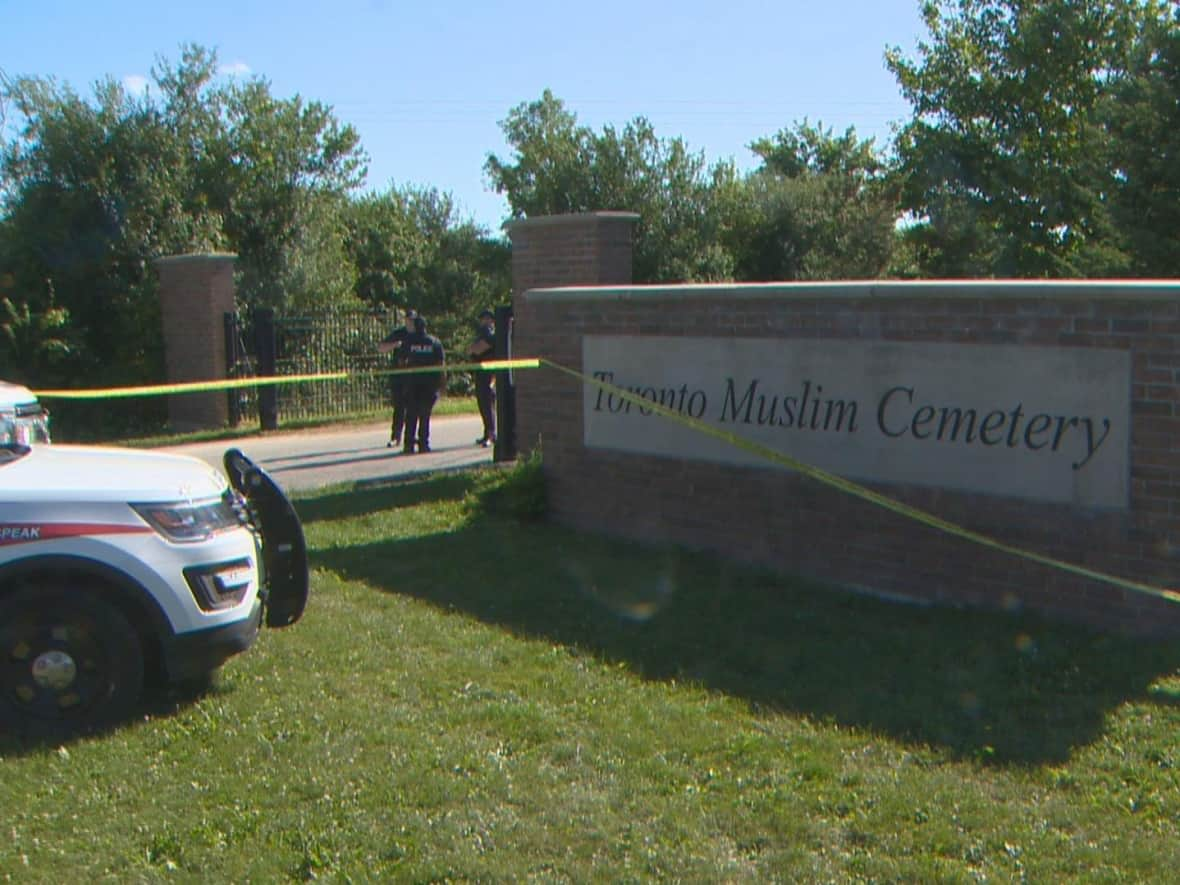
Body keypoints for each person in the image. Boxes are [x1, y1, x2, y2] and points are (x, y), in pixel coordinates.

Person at [401, 315, 445, 454]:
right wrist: (442, 384)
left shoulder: (408, 341)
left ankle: (408, 445)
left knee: (411, 415)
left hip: (413, 383)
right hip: (430, 385)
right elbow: (441, 365)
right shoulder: (434, 342)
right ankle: (423, 444)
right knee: (425, 415)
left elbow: (402, 361)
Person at [377, 310, 415, 447]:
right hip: (399, 376)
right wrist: (395, 345)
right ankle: (396, 436)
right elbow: (381, 348)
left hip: (415, 376)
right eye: (408, 320)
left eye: (412, 320)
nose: (410, 322)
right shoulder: (399, 333)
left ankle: (411, 436)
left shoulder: (419, 334)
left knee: (414, 407)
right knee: (399, 407)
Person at [468, 308, 496, 447]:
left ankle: (491, 434)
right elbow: (471, 349)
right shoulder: (482, 334)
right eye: (482, 319)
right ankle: (487, 432)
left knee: (487, 403)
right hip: (480, 373)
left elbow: (477, 349)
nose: (483, 321)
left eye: (486, 318)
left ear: (491, 320)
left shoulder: (491, 335)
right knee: (482, 404)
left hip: (488, 373)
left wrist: (474, 348)